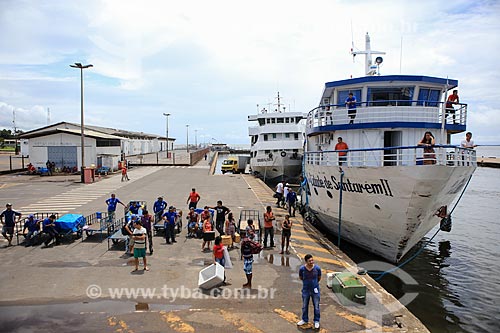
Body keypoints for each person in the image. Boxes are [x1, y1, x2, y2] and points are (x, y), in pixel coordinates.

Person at [297, 254, 322, 329]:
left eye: (312, 260)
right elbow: (301, 277)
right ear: (306, 261)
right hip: (305, 290)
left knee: (316, 306)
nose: (311, 262)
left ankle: (316, 321)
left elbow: (319, 277)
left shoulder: (317, 268)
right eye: (309, 261)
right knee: (304, 306)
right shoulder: (302, 269)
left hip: (315, 290)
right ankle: (304, 319)